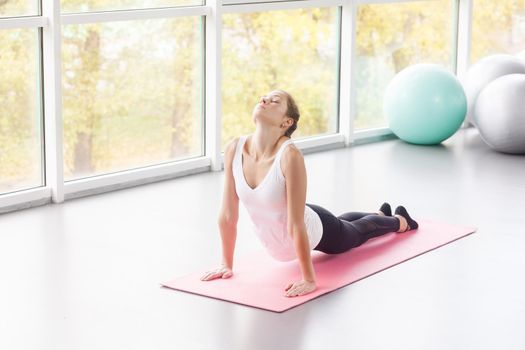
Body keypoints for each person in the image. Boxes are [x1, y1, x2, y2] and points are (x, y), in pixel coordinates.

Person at [200, 89, 418, 298]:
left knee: (356, 232)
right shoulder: (234, 149)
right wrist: (226, 265)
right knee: (341, 221)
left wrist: (309, 279)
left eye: (274, 101)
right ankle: (379, 214)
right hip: (294, 222)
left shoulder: (290, 156)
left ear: (287, 122)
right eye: (264, 98)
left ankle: (399, 221)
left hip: (312, 228)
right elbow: (228, 215)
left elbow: (296, 224)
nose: (264, 100)